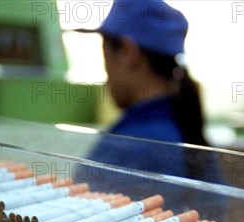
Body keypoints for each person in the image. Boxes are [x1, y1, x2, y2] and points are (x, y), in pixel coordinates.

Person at [77, 0, 224, 185]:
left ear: (128, 52)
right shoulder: (187, 132)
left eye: (105, 55)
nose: (107, 75)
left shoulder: (129, 147)